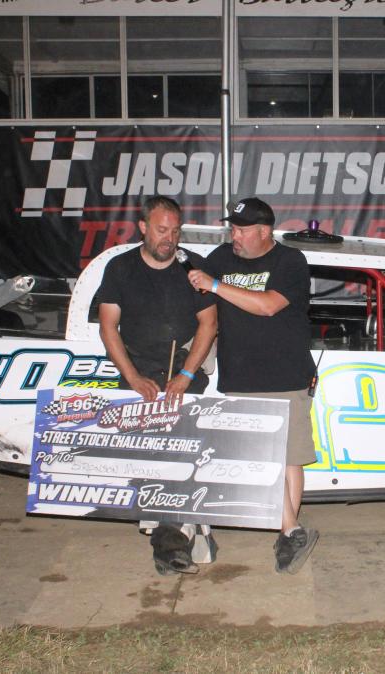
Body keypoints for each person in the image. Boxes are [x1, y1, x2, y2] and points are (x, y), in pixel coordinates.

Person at [188, 197, 319, 574]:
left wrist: (215, 285)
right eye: (232, 228)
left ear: (264, 231)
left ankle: (288, 531)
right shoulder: (221, 257)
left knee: (290, 459)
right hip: (242, 377)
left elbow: (268, 306)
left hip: (288, 374)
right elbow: (195, 292)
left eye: (242, 229)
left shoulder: (290, 261)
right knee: (263, 459)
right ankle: (291, 529)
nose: (235, 235)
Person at [96, 195, 218, 575]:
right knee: (151, 461)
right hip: (139, 378)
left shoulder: (192, 267)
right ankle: (177, 537)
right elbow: (107, 327)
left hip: (185, 376)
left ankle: (174, 538)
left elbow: (208, 324)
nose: (170, 238)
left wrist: (185, 375)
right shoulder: (120, 268)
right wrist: (132, 376)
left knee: (183, 457)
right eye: (162, 230)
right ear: (144, 228)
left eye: (176, 230)